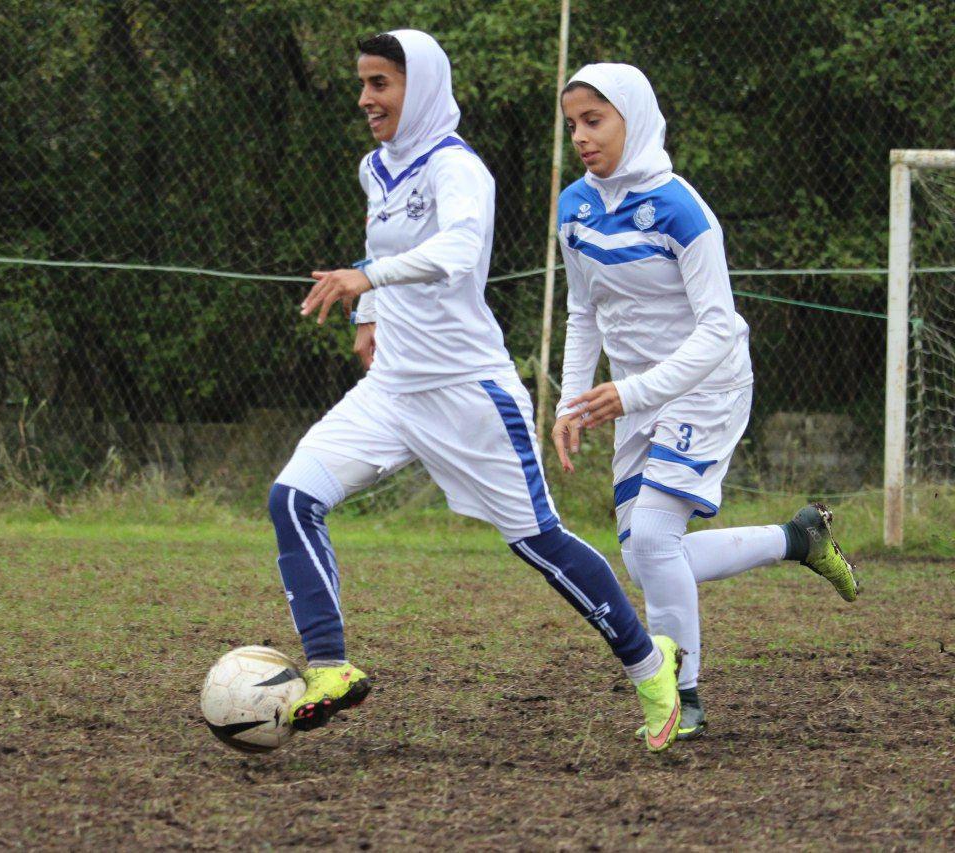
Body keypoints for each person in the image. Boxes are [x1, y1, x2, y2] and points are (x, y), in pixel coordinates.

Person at [269, 30, 682, 753]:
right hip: (392, 388)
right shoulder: (377, 167)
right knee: (292, 498)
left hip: (469, 394)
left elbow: (458, 251)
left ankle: (651, 666)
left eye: (380, 84)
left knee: (540, 543)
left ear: (421, 88)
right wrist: (369, 314)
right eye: (363, 83)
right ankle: (330, 666)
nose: (365, 98)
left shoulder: (459, 168)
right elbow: (382, 243)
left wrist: (367, 280)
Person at [552, 63, 861, 740]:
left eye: (594, 120)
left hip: (706, 386)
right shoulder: (574, 206)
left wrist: (632, 391)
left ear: (634, 118)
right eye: (572, 123)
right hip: (636, 398)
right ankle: (797, 538)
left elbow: (719, 329)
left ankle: (681, 694)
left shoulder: (681, 209)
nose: (580, 136)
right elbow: (582, 310)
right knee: (646, 560)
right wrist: (570, 403)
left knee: (653, 539)